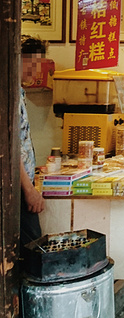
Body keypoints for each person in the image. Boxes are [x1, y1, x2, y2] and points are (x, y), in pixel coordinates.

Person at [19, 88, 45, 251]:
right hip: (16, 189)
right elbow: (9, 146)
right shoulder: (7, 92)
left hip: (23, 183)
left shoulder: (18, 91)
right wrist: (28, 190)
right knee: (33, 250)